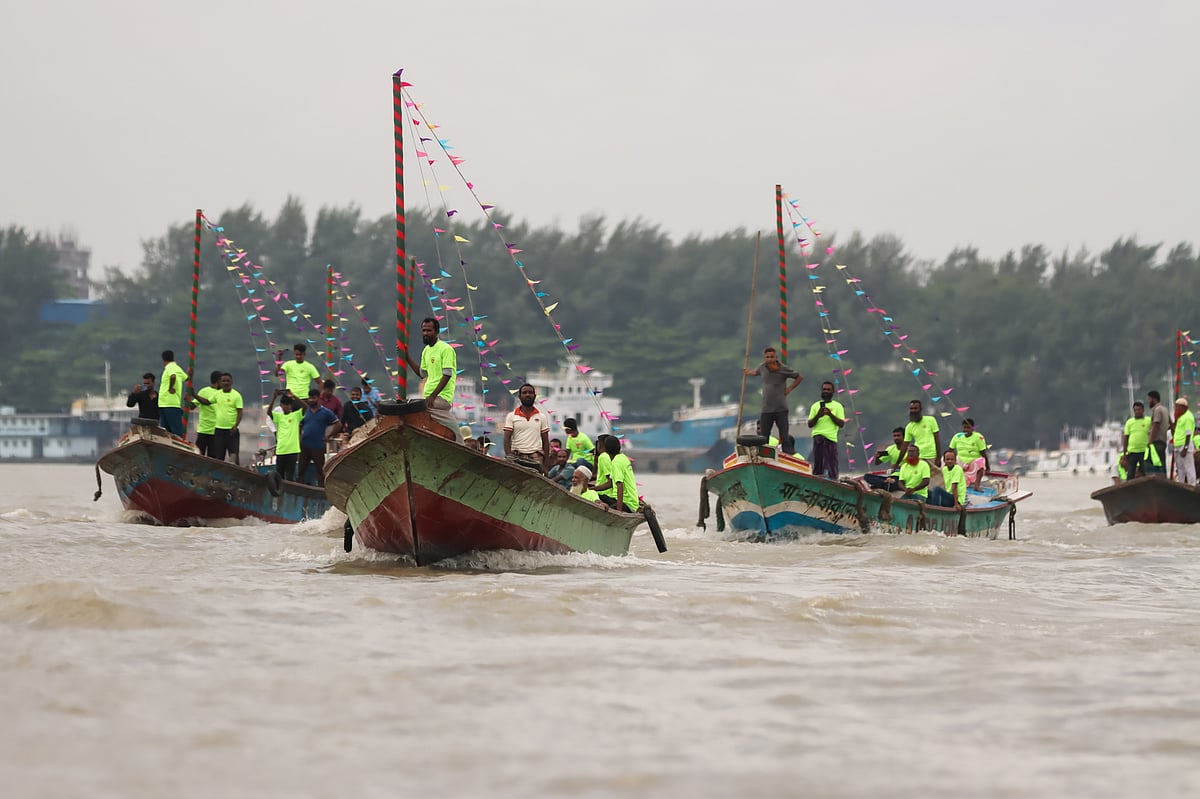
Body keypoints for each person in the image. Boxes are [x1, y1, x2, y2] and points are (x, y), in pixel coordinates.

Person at [744, 346, 803, 454]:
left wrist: (789, 388)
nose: (770, 359)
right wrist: (748, 372)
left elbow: (799, 377)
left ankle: (788, 454)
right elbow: (756, 372)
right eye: (767, 357)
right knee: (764, 435)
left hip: (781, 408)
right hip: (767, 409)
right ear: (764, 357)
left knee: (784, 435)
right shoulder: (762, 367)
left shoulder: (783, 369)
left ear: (776, 357)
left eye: (772, 357)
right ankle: (762, 454)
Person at [406, 316, 456, 410]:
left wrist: (433, 396)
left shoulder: (445, 349)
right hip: (428, 397)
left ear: (436, 332)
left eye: (429, 331)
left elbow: (447, 374)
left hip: (442, 397)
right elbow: (422, 374)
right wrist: (407, 357)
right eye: (424, 330)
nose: (425, 333)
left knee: (418, 409)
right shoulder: (426, 350)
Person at [296, 389, 341, 487]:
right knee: (301, 470)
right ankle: (299, 488)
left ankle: (321, 489)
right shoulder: (307, 411)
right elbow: (301, 424)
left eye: (313, 398)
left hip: (318, 446)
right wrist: (300, 437)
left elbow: (338, 424)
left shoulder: (326, 412)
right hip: (305, 445)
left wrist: (328, 436)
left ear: (318, 399)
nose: (311, 400)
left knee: (320, 470)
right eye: (310, 398)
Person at [503, 383, 550, 471]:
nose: (527, 395)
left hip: (536, 457)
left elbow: (546, 442)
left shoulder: (541, 417)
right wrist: (509, 457)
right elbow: (506, 439)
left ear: (534, 396)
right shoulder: (511, 416)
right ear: (520, 397)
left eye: (530, 392)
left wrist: (546, 464)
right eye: (524, 393)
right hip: (517, 456)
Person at [807, 380, 846, 479]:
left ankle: (834, 481)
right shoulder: (815, 406)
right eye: (824, 389)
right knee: (818, 464)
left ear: (833, 392)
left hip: (831, 439)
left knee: (832, 465)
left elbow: (841, 424)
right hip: (818, 437)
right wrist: (818, 415)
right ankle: (817, 480)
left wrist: (830, 414)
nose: (826, 391)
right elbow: (810, 424)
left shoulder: (838, 406)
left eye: (828, 390)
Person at [594, 436, 640, 513]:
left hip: (626, 503)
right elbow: (610, 483)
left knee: (598, 505)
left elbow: (620, 486)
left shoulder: (616, 463)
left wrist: (618, 511)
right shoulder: (623, 457)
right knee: (595, 495)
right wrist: (593, 489)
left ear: (605, 449)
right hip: (632, 502)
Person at [268, 389, 303, 482]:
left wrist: (294, 395)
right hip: (281, 450)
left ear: (291, 406)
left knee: (290, 476)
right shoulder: (279, 417)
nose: (286, 407)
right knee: (279, 475)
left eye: (288, 404)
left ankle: (288, 494)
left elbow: (306, 408)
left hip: (293, 450)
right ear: (281, 406)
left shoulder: (295, 416)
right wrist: (274, 398)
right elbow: (269, 413)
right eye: (284, 404)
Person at [209, 372, 243, 464]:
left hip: (232, 431)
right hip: (219, 431)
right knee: (219, 458)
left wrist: (236, 425)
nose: (226, 383)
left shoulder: (236, 395)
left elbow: (240, 412)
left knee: (234, 457)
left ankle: (237, 475)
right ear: (220, 382)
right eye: (223, 381)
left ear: (231, 382)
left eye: (228, 381)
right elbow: (207, 402)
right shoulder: (217, 394)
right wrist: (194, 395)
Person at [901, 399, 942, 472]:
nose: (913, 410)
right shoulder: (909, 427)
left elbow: (937, 439)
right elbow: (905, 446)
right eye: (911, 409)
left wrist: (938, 457)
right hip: (918, 457)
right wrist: (898, 462)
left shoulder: (931, 420)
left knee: (935, 480)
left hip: (931, 456)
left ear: (920, 410)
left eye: (915, 408)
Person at [187, 370, 222, 457]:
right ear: (218, 380)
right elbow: (192, 406)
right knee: (199, 455)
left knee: (213, 457)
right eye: (222, 381)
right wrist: (188, 398)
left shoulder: (223, 393)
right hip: (204, 429)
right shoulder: (204, 391)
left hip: (216, 430)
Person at [156, 350, 189, 437]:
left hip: (169, 403)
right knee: (166, 431)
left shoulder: (169, 367)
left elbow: (173, 376)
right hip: (166, 403)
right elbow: (186, 378)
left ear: (163, 360)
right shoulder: (178, 368)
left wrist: (170, 388)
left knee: (175, 431)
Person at [1121, 400, 1151, 480]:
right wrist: (1124, 453)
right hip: (1132, 451)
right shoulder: (1129, 422)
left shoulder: (1148, 420)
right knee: (1130, 473)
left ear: (1143, 410)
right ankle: (1129, 490)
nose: (1137, 412)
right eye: (1135, 410)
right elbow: (1126, 438)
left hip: (1144, 451)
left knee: (1145, 472)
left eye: (1139, 410)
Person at [1146, 390, 1170, 476]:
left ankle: (1154, 483)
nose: (1148, 401)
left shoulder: (1157, 410)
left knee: (1151, 464)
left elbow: (1156, 425)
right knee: (1161, 464)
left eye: (1149, 399)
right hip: (1163, 441)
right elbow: (1170, 424)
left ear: (1154, 399)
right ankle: (1163, 481)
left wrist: (1150, 441)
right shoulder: (1165, 409)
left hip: (1156, 442)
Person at [1172, 397, 1195, 485]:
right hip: (1178, 446)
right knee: (1180, 468)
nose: (1176, 409)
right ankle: (1181, 484)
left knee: (1189, 468)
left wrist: (1185, 448)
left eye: (1178, 407)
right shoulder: (1181, 416)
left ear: (1184, 407)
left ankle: (1192, 485)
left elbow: (1188, 434)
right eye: (1176, 407)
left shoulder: (1188, 417)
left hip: (1185, 445)